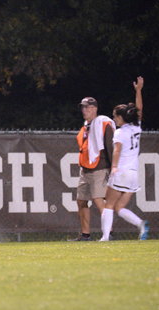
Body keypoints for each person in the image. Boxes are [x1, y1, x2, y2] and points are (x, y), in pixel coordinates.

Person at [100, 77, 150, 242]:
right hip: (133, 173)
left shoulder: (120, 132)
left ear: (122, 117)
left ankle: (105, 237)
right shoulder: (136, 127)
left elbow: (117, 150)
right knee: (119, 206)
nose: (114, 118)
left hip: (121, 171)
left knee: (108, 204)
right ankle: (141, 224)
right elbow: (139, 109)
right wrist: (138, 91)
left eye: (115, 116)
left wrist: (114, 167)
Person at [70, 96, 115, 241]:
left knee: (98, 200)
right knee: (81, 201)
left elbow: (111, 147)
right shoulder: (86, 126)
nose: (84, 110)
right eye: (83, 107)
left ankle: (109, 233)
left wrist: (113, 168)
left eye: (87, 107)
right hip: (85, 169)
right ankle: (85, 234)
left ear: (95, 108)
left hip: (99, 168)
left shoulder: (103, 123)